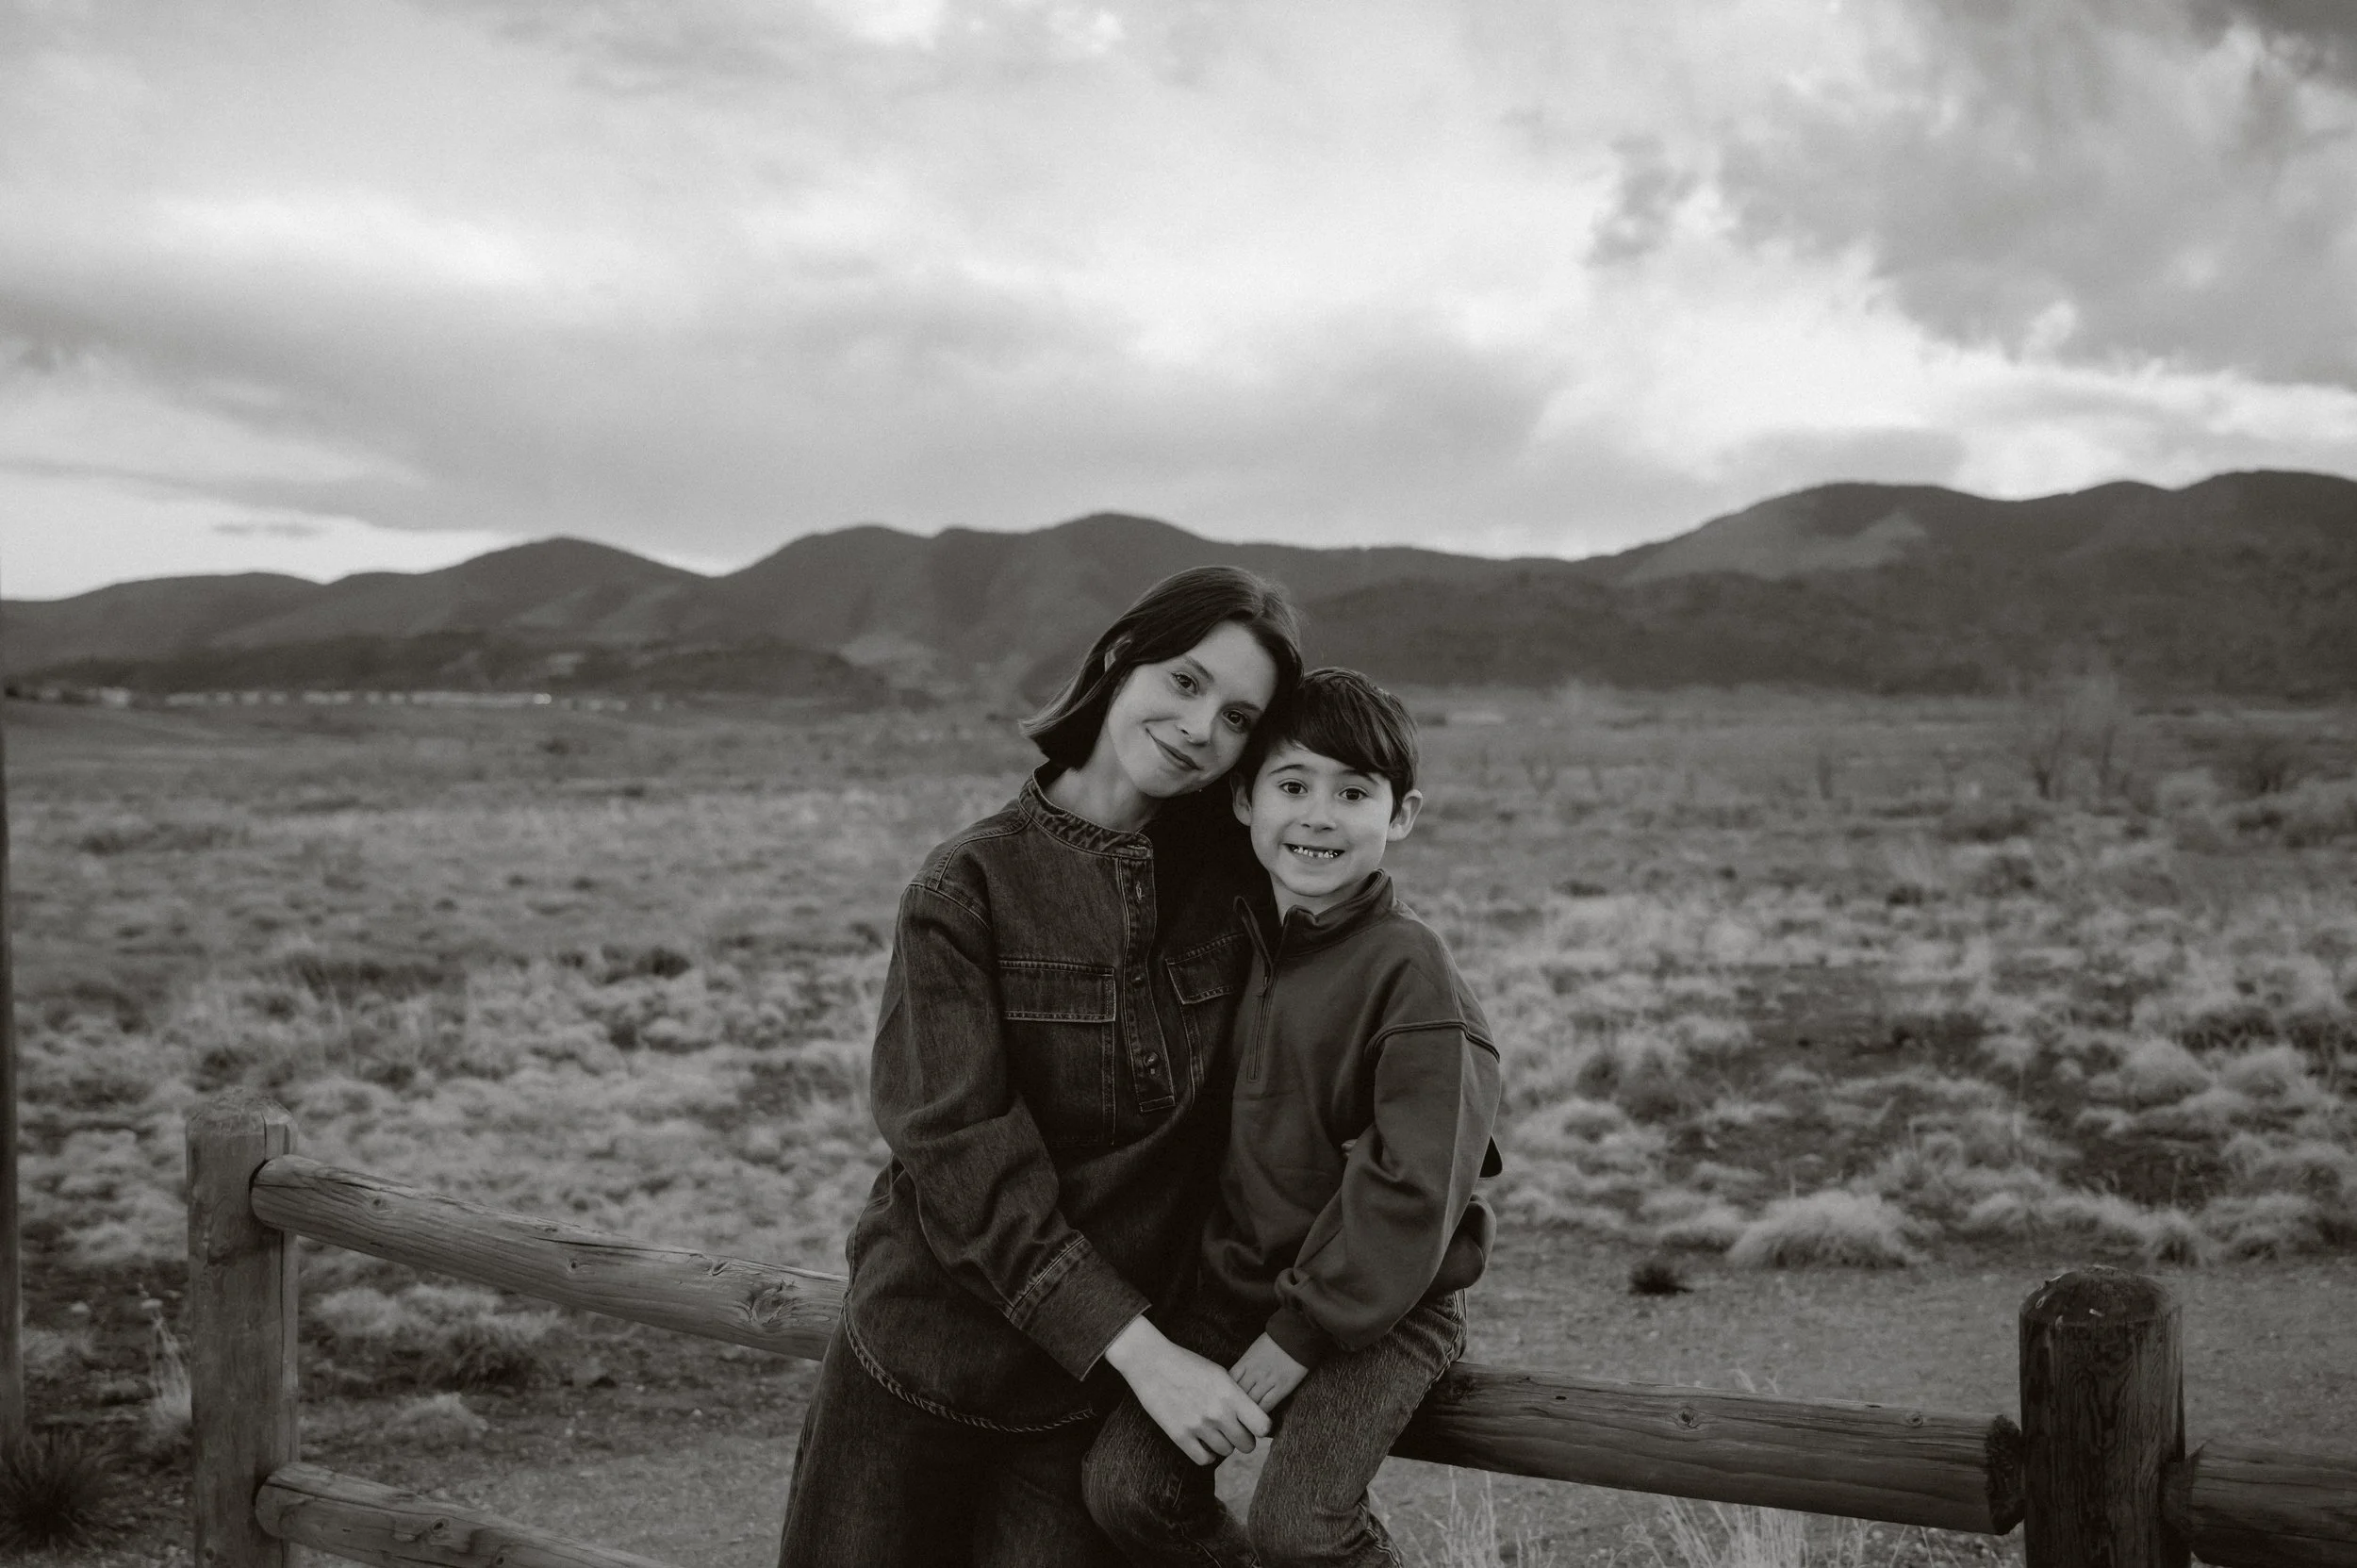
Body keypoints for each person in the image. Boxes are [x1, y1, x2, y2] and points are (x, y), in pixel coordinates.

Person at [777, 567, 1306, 1568]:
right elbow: (960, 1153)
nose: (1201, 728)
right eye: (1185, 683)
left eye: (1238, 716)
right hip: (919, 1365)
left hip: (1082, 1405)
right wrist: (1151, 1357)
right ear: (1120, 658)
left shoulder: (1239, 893)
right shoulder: (964, 885)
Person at [1081, 667, 1504, 1568]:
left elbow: (1414, 1185)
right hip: (1233, 1288)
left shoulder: (1409, 971)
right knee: (1125, 1488)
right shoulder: (1238, 950)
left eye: (1353, 792)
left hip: (1381, 1305)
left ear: (1402, 816)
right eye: (1293, 784)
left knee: (1302, 1531)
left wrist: (1302, 1332)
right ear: (1245, 801)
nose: (1319, 814)